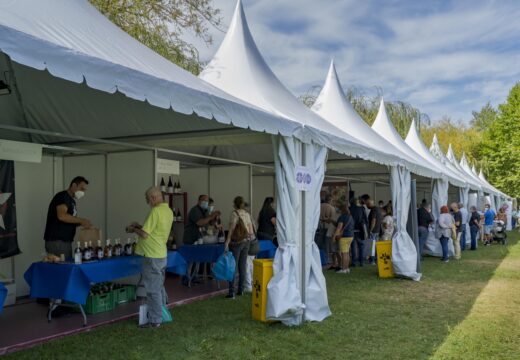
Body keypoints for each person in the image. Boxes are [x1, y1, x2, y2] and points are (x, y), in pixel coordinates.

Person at [126, 187, 173, 328]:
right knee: (158, 287)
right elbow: (152, 230)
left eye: (147, 200)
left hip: (151, 254)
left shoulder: (155, 211)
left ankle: (155, 320)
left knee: (153, 290)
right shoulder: (168, 211)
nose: (148, 202)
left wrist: (133, 229)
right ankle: (162, 313)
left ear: (153, 197)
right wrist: (140, 226)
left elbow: (145, 235)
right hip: (161, 253)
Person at [44, 176, 92, 261]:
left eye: (84, 190)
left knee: (65, 266)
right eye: (81, 188)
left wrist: (82, 223)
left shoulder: (71, 201)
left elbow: (69, 220)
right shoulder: (63, 196)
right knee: (62, 269)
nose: (83, 192)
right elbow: (62, 216)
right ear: (74, 185)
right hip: (58, 241)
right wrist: (81, 220)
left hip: (64, 242)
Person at [225, 196, 254, 299]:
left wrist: (227, 242)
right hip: (246, 242)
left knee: (233, 266)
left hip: (236, 243)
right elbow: (251, 231)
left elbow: (232, 229)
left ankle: (231, 292)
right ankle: (240, 290)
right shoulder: (247, 214)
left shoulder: (234, 214)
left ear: (234, 204)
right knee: (242, 267)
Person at [333, 205, 355, 274]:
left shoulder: (342, 217)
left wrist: (334, 236)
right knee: (347, 253)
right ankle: (347, 268)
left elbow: (339, 228)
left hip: (344, 237)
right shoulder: (350, 217)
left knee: (343, 253)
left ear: (341, 210)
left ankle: (343, 269)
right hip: (351, 236)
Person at [319, 195, 338, 267]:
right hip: (328, 227)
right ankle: (326, 259)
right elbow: (333, 219)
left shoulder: (320, 206)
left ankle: (320, 258)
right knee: (327, 244)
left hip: (320, 226)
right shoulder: (331, 208)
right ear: (330, 200)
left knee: (320, 243)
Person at [350, 198, 368, 267]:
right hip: (360, 230)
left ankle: (354, 262)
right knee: (361, 246)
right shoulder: (361, 209)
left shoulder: (349, 209)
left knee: (353, 247)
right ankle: (362, 262)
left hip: (351, 230)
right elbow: (366, 220)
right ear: (357, 202)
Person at [366, 199, 382, 265]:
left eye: (367, 204)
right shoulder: (378, 209)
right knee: (375, 246)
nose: (367, 206)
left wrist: (370, 230)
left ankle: (372, 261)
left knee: (372, 246)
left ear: (370, 204)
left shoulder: (373, 210)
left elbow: (373, 220)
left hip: (374, 230)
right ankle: (375, 259)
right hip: (377, 230)